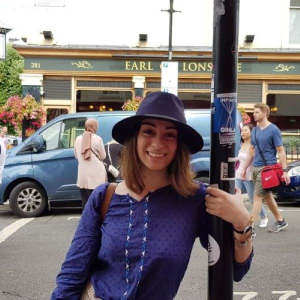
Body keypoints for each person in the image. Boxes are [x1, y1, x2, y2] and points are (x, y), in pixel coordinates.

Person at [51, 92, 253, 300]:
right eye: (148, 131)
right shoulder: (104, 197)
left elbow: (235, 269)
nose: (157, 143)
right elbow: (72, 274)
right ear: (135, 137)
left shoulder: (196, 200)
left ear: (179, 144)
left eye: (169, 134)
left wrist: (242, 221)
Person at [240, 103, 290, 233]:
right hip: (256, 168)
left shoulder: (273, 130)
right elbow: (251, 150)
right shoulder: (255, 130)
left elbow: (281, 151)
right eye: (254, 112)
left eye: (257, 112)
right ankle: (280, 221)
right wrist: (244, 168)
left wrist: (285, 171)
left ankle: (249, 226)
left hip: (268, 168)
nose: (254, 114)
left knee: (257, 197)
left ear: (265, 113)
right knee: (267, 197)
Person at [236, 124, 268, 228]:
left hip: (249, 175)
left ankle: (264, 217)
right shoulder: (242, 143)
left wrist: (245, 169)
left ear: (251, 132)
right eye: (242, 131)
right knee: (236, 196)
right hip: (239, 174)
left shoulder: (254, 145)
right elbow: (240, 159)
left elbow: (254, 160)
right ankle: (242, 220)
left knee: (252, 198)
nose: (243, 133)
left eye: (245, 130)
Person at [74, 119, 107, 209]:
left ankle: (87, 221)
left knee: (86, 203)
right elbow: (103, 156)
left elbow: (77, 156)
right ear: (95, 126)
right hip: (96, 177)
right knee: (97, 203)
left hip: (83, 177)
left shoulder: (78, 139)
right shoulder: (97, 139)